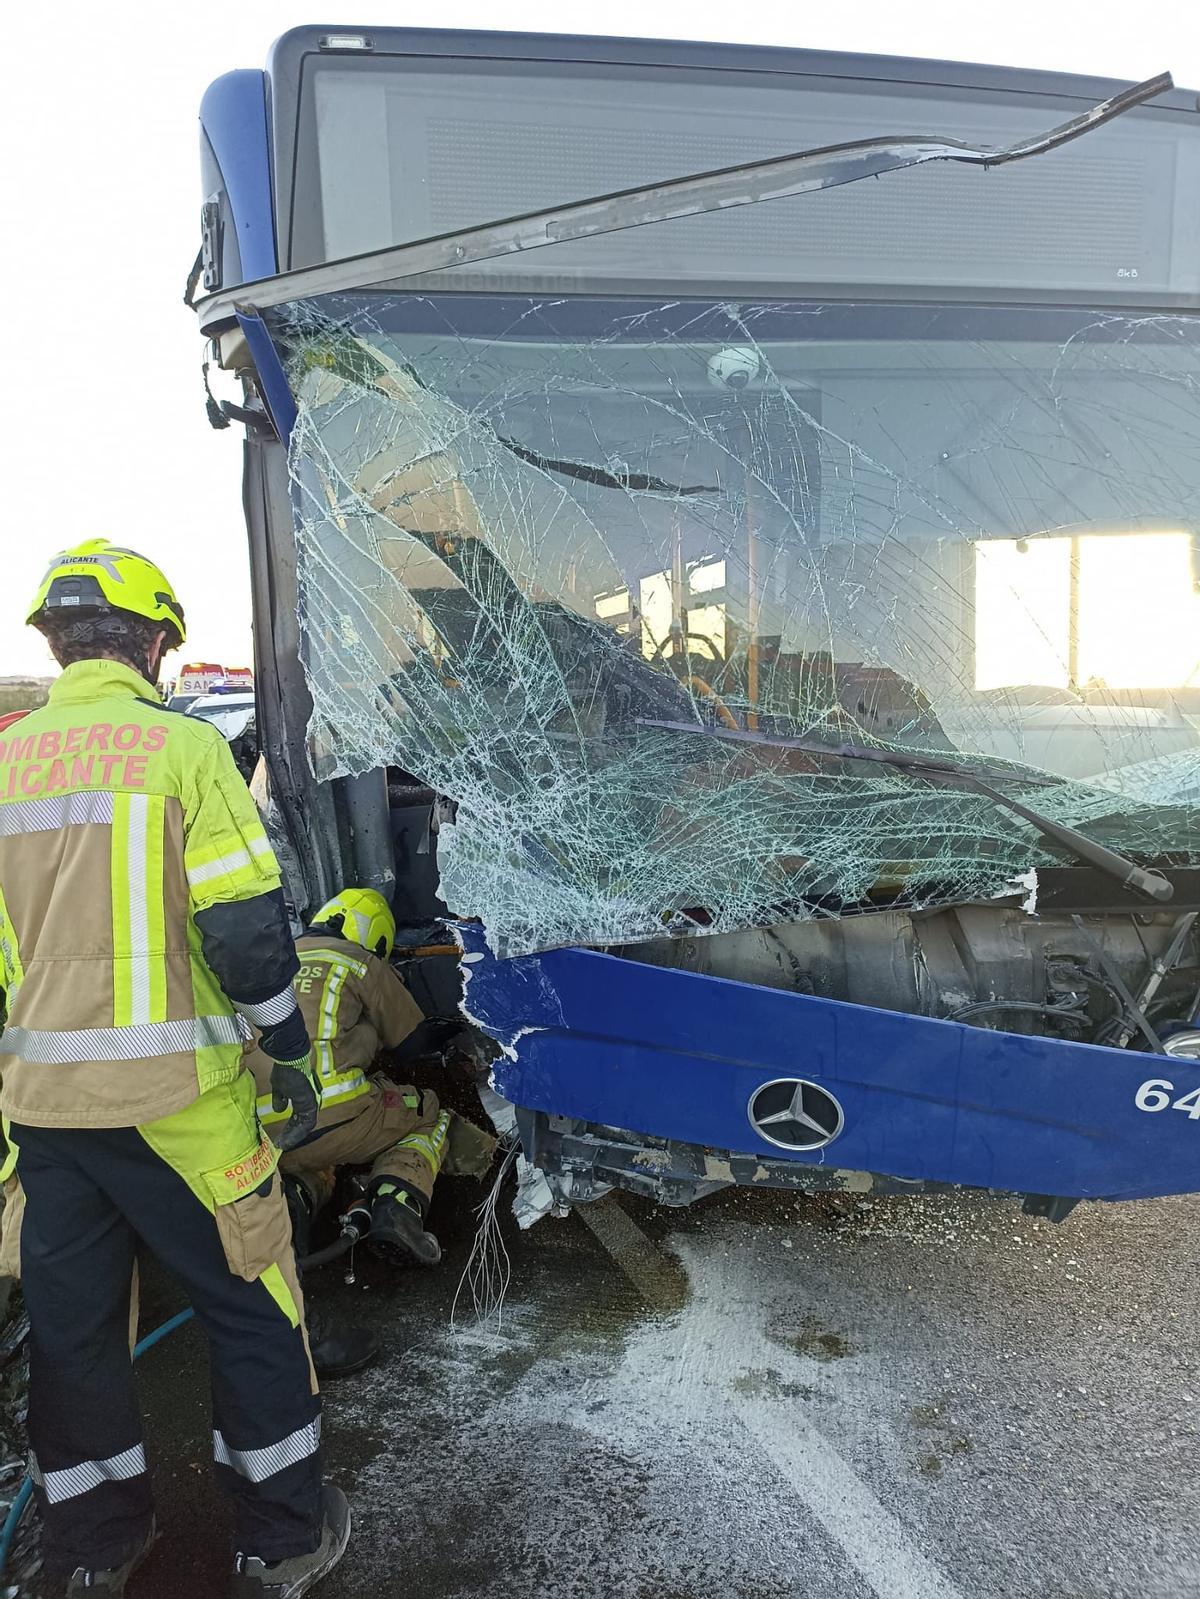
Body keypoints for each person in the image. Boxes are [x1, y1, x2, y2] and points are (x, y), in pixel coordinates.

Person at [0, 540, 349, 1597]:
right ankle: (282, 1537)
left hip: (47, 1120)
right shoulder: (183, 754)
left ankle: (93, 1551)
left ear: (58, 645)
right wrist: (290, 1052)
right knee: (251, 1310)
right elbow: (245, 938)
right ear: (154, 643)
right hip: (180, 1113)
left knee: (74, 1335)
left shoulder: (6, 764)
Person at [249, 887, 496, 1270]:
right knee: (428, 1111)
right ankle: (397, 1207)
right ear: (376, 938)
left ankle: (297, 1197)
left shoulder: (274, 958)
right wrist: (453, 1029)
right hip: (331, 1112)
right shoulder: (360, 962)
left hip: (263, 1132)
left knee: (319, 1147)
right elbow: (413, 1044)